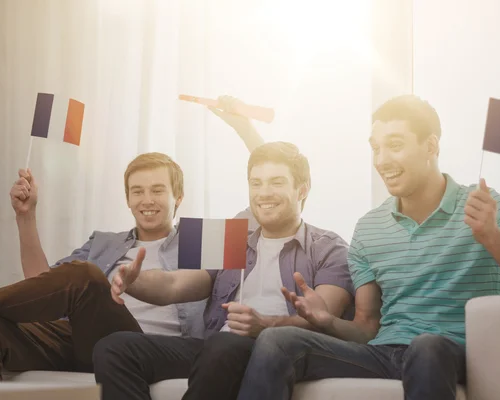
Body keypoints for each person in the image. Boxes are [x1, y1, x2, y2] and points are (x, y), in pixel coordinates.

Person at [234, 94, 500, 400]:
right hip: (383, 353)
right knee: (277, 340)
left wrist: (493, 237)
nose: (382, 160)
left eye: (395, 146)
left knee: (426, 347)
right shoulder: (369, 228)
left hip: (452, 353)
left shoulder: (486, 206)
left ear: (431, 145)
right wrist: (327, 321)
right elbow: (367, 327)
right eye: (376, 149)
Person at [0, 96, 261, 380]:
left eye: (157, 190)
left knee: (85, 276)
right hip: (82, 339)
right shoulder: (105, 243)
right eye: (137, 191)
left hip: (147, 350)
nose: (147, 200)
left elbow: (264, 203)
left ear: (178, 197)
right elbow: (41, 285)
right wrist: (26, 216)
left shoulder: (201, 239)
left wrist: (245, 129)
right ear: (127, 199)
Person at [93, 141, 355, 400]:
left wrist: (264, 326)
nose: (263, 193)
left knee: (224, 345)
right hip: (215, 347)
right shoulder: (233, 238)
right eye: (256, 183)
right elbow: (174, 285)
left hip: (274, 351)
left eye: (276, 182)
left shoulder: (328, 248)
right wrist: (133, 281)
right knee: (113, 347)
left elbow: (325, 319)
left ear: (302, 190)